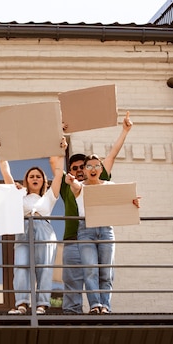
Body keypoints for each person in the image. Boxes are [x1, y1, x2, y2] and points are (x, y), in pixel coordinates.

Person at [56, 111, 132, 314]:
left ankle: (101, 306)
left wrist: (124, 130)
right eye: (76, 167)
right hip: (77, 237)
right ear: (71, 170)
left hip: (103, 229)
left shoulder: (103, 179)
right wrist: (58, 136)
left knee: (104, 272)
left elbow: (112, 155)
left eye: (86, 166)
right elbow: (55, 163)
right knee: (75, 279)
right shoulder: (71, 184)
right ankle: (74, 313)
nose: (81, 170)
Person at [0, 137, 67, 315]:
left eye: (38, 176)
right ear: (26, 180)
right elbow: (6, 173)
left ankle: (42, 304)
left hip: (44, 229)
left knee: (44, 267)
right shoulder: (19, 194)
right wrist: (0, 150)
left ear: (43, 181)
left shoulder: (50, 197)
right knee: (20, 266)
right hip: (23, 229)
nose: (35, 178)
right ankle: (22, 303)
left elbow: (59, 174)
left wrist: (61, 151)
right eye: (31, 176)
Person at [65, 154, 140, 314]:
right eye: (89, 166)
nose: (93, 169)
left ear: (101, 169)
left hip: (106, 230)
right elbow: (74, 186)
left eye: (96, 166)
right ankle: (95, 305)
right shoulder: (80, 186)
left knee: (106, 271)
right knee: (90, 269)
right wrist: (71, 181)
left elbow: (124, 203)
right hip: (86, 230)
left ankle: (105, 306)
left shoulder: (109, 185)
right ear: (84, 170)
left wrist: (133, 203)